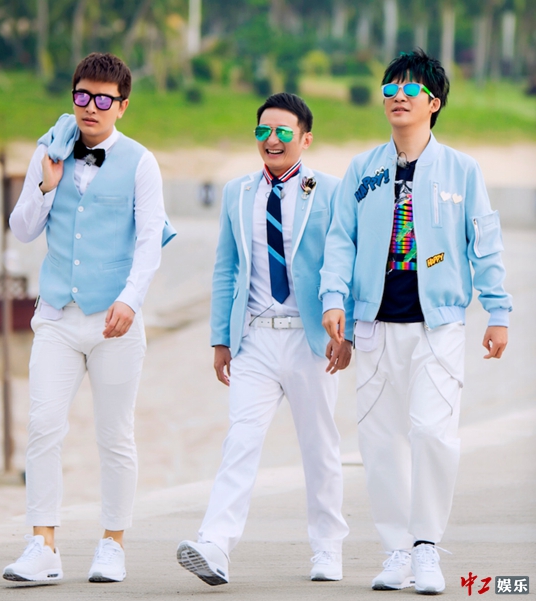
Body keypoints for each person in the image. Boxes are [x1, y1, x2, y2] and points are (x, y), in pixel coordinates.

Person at [319, 49, 512, 595]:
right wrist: (334, 300)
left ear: (434, 103)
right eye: (390, 88)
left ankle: (426, 545)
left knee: (431, 433)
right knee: (380, 442)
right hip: (374, 327)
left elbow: (484, 244)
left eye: (410, 89)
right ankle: (396, 552)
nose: (397, 96)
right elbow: (340, 240)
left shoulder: (462, 170)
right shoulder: (363, 169)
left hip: (438, 326)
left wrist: (497, 311)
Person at [4, 52, 174, 584]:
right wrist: (46, 184)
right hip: (57, 315)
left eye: (103, 99)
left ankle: (112, 544)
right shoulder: (47, 152)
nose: (91, 107)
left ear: (122, 106)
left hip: (114, 322)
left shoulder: (141, 162)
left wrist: (130, 300)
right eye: (82, 96)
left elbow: (150, 242)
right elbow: (22, 230)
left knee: (114, 434)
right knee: (43, 427)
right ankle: (42, 546)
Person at [176, 93, 353, 586]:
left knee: (320, 446)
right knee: (241, 439)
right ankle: (215, 544)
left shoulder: (331, 191)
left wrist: (347, 332)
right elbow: (226, 268)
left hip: (311, 340)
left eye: (282, 132)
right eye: (262, 131)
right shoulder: (237, 192)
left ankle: (328, 548)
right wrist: (220, 339)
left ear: (305, 138)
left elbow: (344, 263)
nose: (271, 140)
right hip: (254, 338)